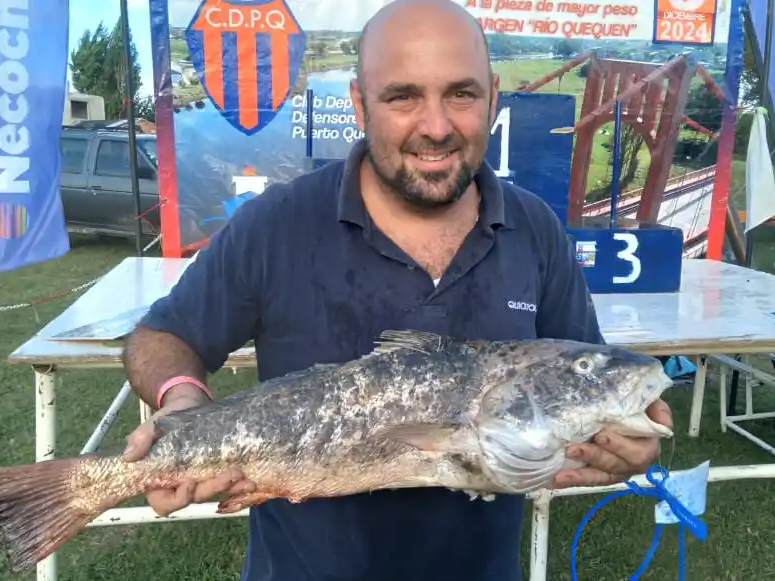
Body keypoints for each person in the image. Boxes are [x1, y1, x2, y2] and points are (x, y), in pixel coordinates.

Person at [120, 0, 672, 579]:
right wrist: (182, 400)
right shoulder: (275, 224)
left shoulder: (535, 231)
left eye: (461, 94)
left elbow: (581, 373)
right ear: (360, 104)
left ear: (493, 97)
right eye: (403, 96)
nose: (436, 126)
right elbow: (163, 336)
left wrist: (620, 442)